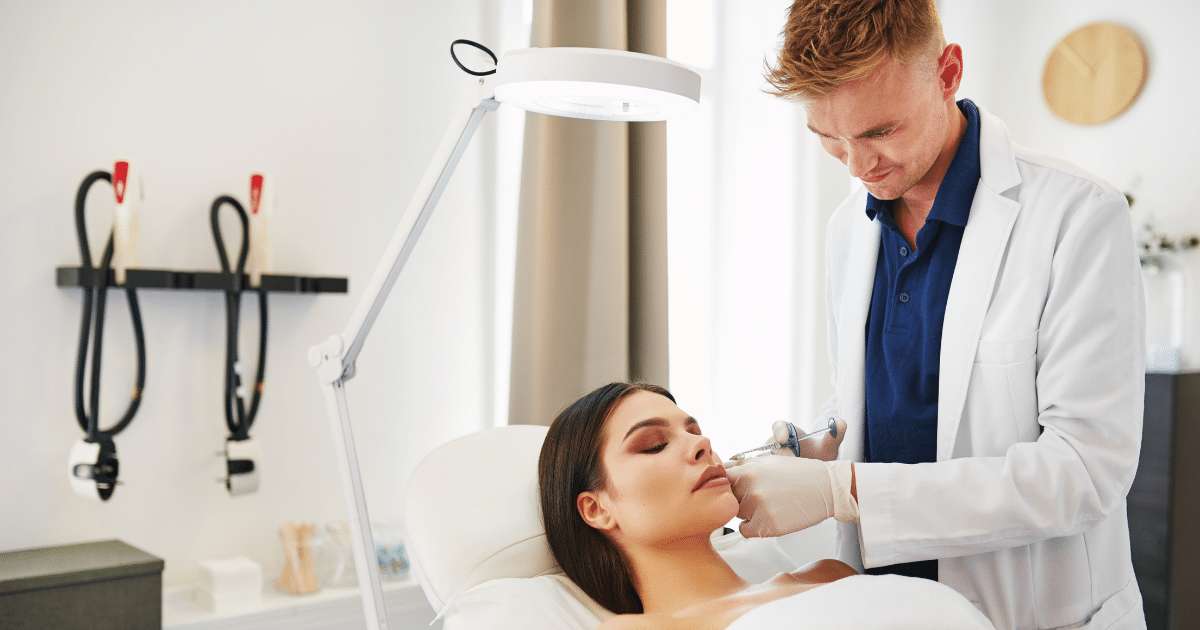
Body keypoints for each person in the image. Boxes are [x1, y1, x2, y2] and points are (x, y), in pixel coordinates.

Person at [725, 1, 1146, 628]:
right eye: (827, 139)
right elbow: (899, 398)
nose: (858, 166)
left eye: (878, 132)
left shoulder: (1077, 217)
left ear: (947, 73)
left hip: (1030, 610)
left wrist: (843, 493)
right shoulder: (850, 228)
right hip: (887, 605)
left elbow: (1084, 473)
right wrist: (819, 448)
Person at [538, 381, 988, 629]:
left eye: (693, 431)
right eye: (654, 445)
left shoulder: (827, 574)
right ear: (596, 508)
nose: (700, 444)